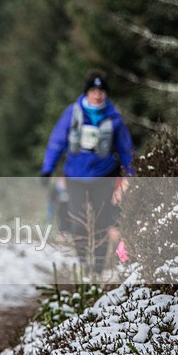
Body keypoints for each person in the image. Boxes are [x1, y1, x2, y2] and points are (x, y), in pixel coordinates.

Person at [40, 70, 134, 276]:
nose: (97, 95)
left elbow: (126, 150)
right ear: (87, 92)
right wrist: (47, 168)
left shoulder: (114, 119)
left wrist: (132, 174)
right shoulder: (72, 113)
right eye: (93, 90)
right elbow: (57, 142)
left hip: (104, 177)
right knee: (78, 222)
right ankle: (83, 262)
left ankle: (98, 266)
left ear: (106, 94)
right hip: (75, 177)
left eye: (101, 91)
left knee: (102, 223)